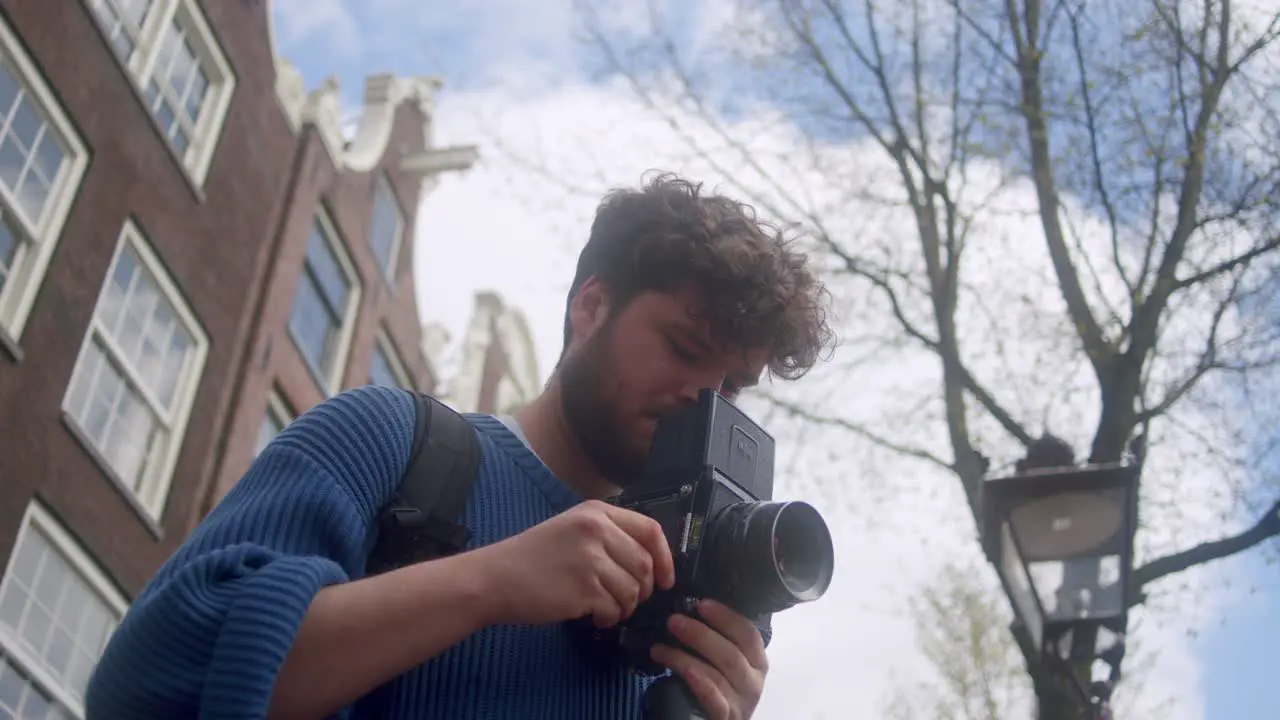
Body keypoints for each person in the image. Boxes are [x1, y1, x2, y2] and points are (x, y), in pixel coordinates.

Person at [85, 173, 834, 720]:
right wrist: (489, 584)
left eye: (733, 386)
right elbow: (149, 682)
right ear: (591, 307)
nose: (703, 402)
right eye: (682, 347)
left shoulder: (681, 609)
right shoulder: (387, 442)